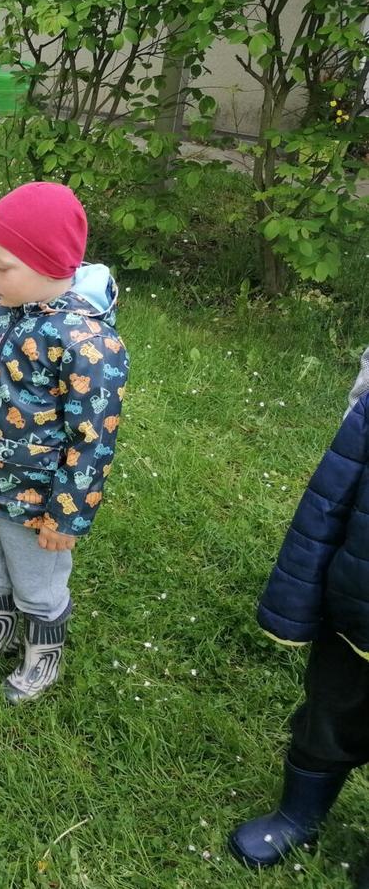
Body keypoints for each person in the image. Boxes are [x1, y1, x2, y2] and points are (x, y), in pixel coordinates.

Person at [0, 182, 128, 704]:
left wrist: (68, 516)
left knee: (37, 579)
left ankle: (43, 651)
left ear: (49, 266)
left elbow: (93, 439)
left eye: (2, 266)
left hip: (38, 496)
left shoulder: (88, 343)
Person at [228, 346, 369, 881]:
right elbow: (329, 503)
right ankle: (298, 814)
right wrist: (297, 598)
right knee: (329, 715)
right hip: (357, 613)